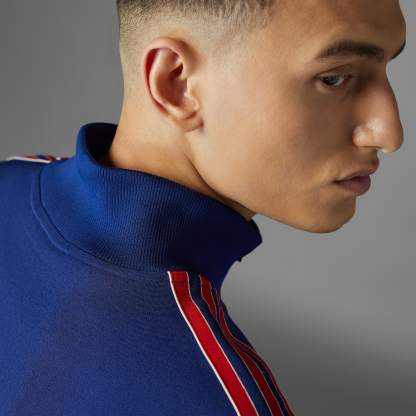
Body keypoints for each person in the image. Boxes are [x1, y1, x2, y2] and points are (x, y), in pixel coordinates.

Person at [0, 0, 406, 415]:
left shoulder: (9, 177)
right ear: (175, 83)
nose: (390, 133)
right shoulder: (227, 401)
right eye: (333, 78)